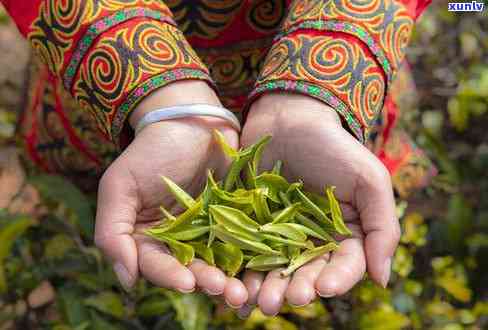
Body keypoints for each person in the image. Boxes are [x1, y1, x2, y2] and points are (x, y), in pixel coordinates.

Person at [1, 0, 434, 318]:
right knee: (112, 198)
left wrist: (313, 90)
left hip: (324, 75)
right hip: (120, 74)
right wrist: (160, 97)